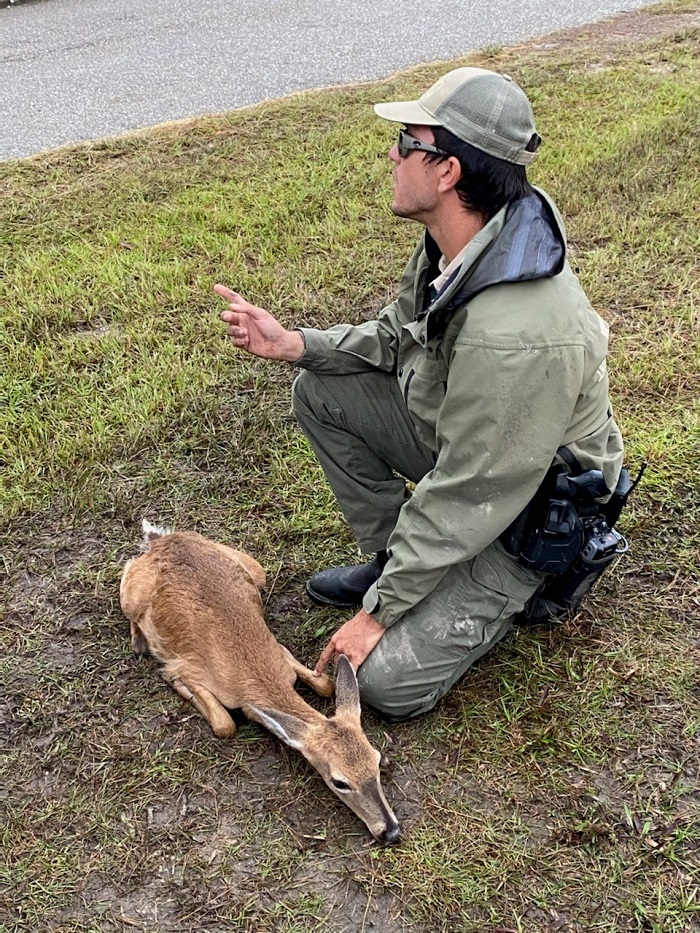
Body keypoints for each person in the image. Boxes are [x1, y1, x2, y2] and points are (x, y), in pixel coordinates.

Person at [214, 67, 624, 721]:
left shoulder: (511, 333)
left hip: (522, 512)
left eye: (408, 139)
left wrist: (376, 618)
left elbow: (471, 491)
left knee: (379, 681)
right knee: (321, 389)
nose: (392, 152)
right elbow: (394, 333)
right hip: (477, 455)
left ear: (448, 172)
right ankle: (393, 562)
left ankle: (522, 585)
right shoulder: (459, 243)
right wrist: (294, 342)